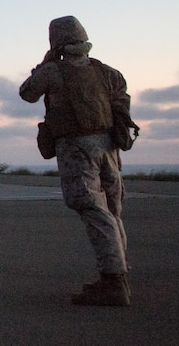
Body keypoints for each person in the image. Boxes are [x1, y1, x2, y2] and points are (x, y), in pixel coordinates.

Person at [19, 16, 131, 307]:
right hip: (108, 149)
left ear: (56, 40)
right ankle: (119, 274)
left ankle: (113, 281)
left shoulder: (53, 72)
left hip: (76, 149)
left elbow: (27, 93)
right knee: (111, 210)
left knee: (93, 209)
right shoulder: (107, 72)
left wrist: (45, 63)